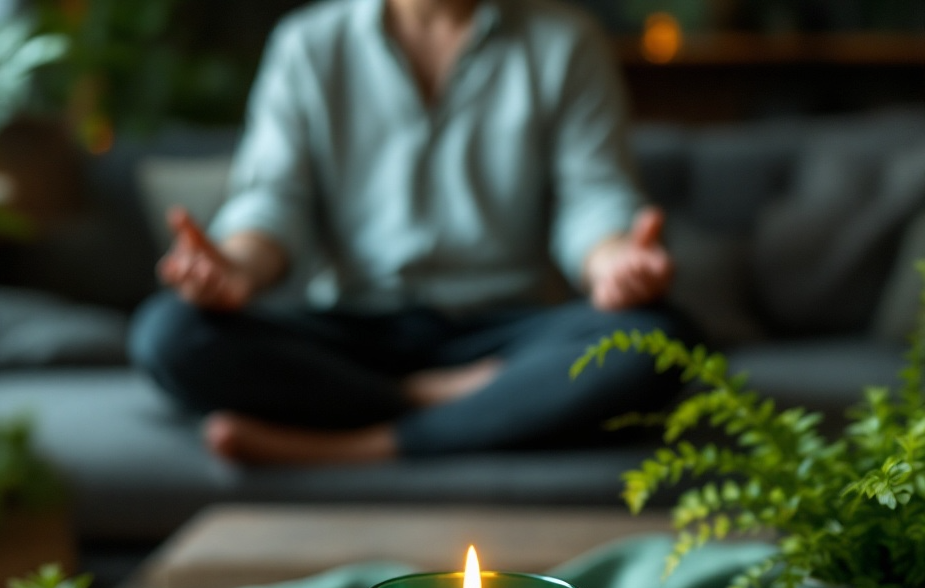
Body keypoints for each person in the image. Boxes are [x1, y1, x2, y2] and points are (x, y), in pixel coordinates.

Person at [129, 0, 691, 464]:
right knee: (170, 333)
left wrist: (615, 263)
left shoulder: (567, 42)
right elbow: (274, 203)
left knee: (659, 341)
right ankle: (442, 398)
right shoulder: (307, 45)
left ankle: (360, 444)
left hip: (505, 331)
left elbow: (594, 198)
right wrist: (233, 268)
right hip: (358, 334)